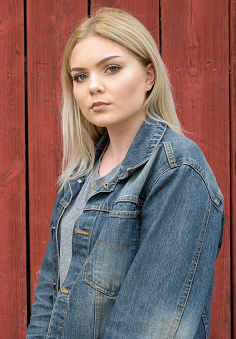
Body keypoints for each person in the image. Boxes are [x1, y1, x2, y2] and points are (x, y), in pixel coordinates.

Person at [27, 8, 224, 338]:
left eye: (111, 69)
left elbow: (151, 324)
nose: (93, 86)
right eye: (80, 76)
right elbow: (49, 298)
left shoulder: (177, 169)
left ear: (149, 77)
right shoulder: (79, 176)